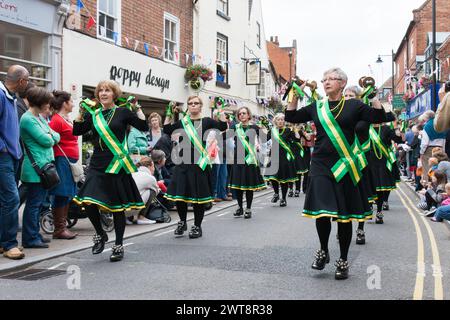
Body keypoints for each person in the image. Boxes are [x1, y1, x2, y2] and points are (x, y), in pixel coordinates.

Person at [285, 67, 387, 280]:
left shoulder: (354, 105)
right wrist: (295, 93)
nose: (326, 82)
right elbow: (291, 116)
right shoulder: (317, 107)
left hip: (345, 165)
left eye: (332, 78)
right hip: (321, 164)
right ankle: (323, 250)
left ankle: (343, 259)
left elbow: (379, 116)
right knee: (322, 211)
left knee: (344, 215)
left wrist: (374, 95)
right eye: (324, 79)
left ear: (342, 83)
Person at [73, 80, 148, 262]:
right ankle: (100, 234)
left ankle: (118, 244)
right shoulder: (94, 114)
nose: (103, 94)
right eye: (100, 91)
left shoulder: (122, 112)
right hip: (97, 163)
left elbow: (144, 127)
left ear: (114, 94)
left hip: (116, 163)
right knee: (88, 201)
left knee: (116, 207)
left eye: (107, 91)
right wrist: (81, 113)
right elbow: (77, 131)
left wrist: (137, 109)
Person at [163, 96, 228, 239]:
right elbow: (167, 129)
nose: (193, 105)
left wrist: (220, 110)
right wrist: (168, 113)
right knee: (180, 196)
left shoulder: (207, 121)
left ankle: (197, 225)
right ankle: (182, 222)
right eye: (190, 103)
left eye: (196, 103)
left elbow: (223, 127)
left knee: (199, 198)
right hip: (182, 163)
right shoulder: (182, 122)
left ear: (201, 106)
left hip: (200, 164)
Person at [20, 87, 60, 249]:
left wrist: (50, 136)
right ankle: (30, 239)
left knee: (38, 203)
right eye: (47, 102)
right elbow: (46, 140)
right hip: (35, 169)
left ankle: (34, 234)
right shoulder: (27, 119)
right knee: (34, 204)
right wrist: (50, 137)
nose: (49, 105)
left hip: (44, 167)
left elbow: (55, 136)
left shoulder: (39, 118)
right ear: (39, 102)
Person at [0, 65, 29, 260]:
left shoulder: (11, 97)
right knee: (11, 199)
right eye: (27, 80)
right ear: (21, 81)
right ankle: (10, 244)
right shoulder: (2, 96)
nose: (28, 83)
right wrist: (3, 148)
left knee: (5, 201)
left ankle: (3, 242)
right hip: (4, 157)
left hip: (12, 156)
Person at [48, 91, 79, 240]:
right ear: (65, 104)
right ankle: (59, 228)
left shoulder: (66, 119)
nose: (73, 103)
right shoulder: (56, 120)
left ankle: (62, 227)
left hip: (69, 160)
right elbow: (51, 140)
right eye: (71, 101)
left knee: (67, 193)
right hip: (62, 159)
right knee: (62, 192)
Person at [228, 106, 266, 218]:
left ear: (248, 115)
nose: (242, 115)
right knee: (238, 186)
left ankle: (248, 208)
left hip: (250, 159)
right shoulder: (235, 127)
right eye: (239, 114)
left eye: (244, 113)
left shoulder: (254, 127)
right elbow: (225, 136)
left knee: (249, 186)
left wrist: (265, 129)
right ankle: (240, 207)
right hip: (238, 158)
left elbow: (265, 138)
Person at [265, 113, 298, 207]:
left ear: (284, 121)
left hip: (284, 157)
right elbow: (264, 139)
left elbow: (296, 140)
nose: (280, 121)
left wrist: (295, 130)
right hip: (274, 156)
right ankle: (276, 193)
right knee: (273, 177)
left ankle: (283, 198)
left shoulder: (288, 130)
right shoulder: (272, 131)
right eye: (278, 119)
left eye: (282, 120)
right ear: (275, 121)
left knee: (284, 179)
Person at [129, 156, 158, 225]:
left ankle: (128, 218)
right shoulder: (150, 178)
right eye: (153, 166)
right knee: (151, 191)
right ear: (150, 166)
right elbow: (157, 191)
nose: (154, 169)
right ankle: (141, 217)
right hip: (133, 208)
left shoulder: (132, 173)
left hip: (123, 207)